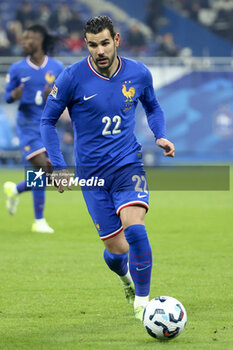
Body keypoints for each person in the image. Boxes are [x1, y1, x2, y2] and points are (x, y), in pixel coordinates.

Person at [40, 16, 175, 320]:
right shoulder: (71, 77)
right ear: (85, 44)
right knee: (118, 251)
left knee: (136, 229)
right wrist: (59, 166)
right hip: (91, 177)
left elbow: (152, 106)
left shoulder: (138, 73)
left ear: (116, 40)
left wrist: (161, 135)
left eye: (104, 43)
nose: (99, 50)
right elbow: (47, 121)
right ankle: (125, 278)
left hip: (128, 164)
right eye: (92, 45)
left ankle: (143, 305)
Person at [4, 24, 64, 233]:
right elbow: (7, 96)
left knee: (41, 174)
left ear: (40, 41)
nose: (24, 42)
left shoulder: (57, 68)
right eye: (23, 38)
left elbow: (65, 97)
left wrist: (54, 98)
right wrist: (13, 96)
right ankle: (39, 221)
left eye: (29, 38)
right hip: (28, 125)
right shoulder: (17, 69)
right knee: (44, 167)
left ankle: (15, 190)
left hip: (48, 125)